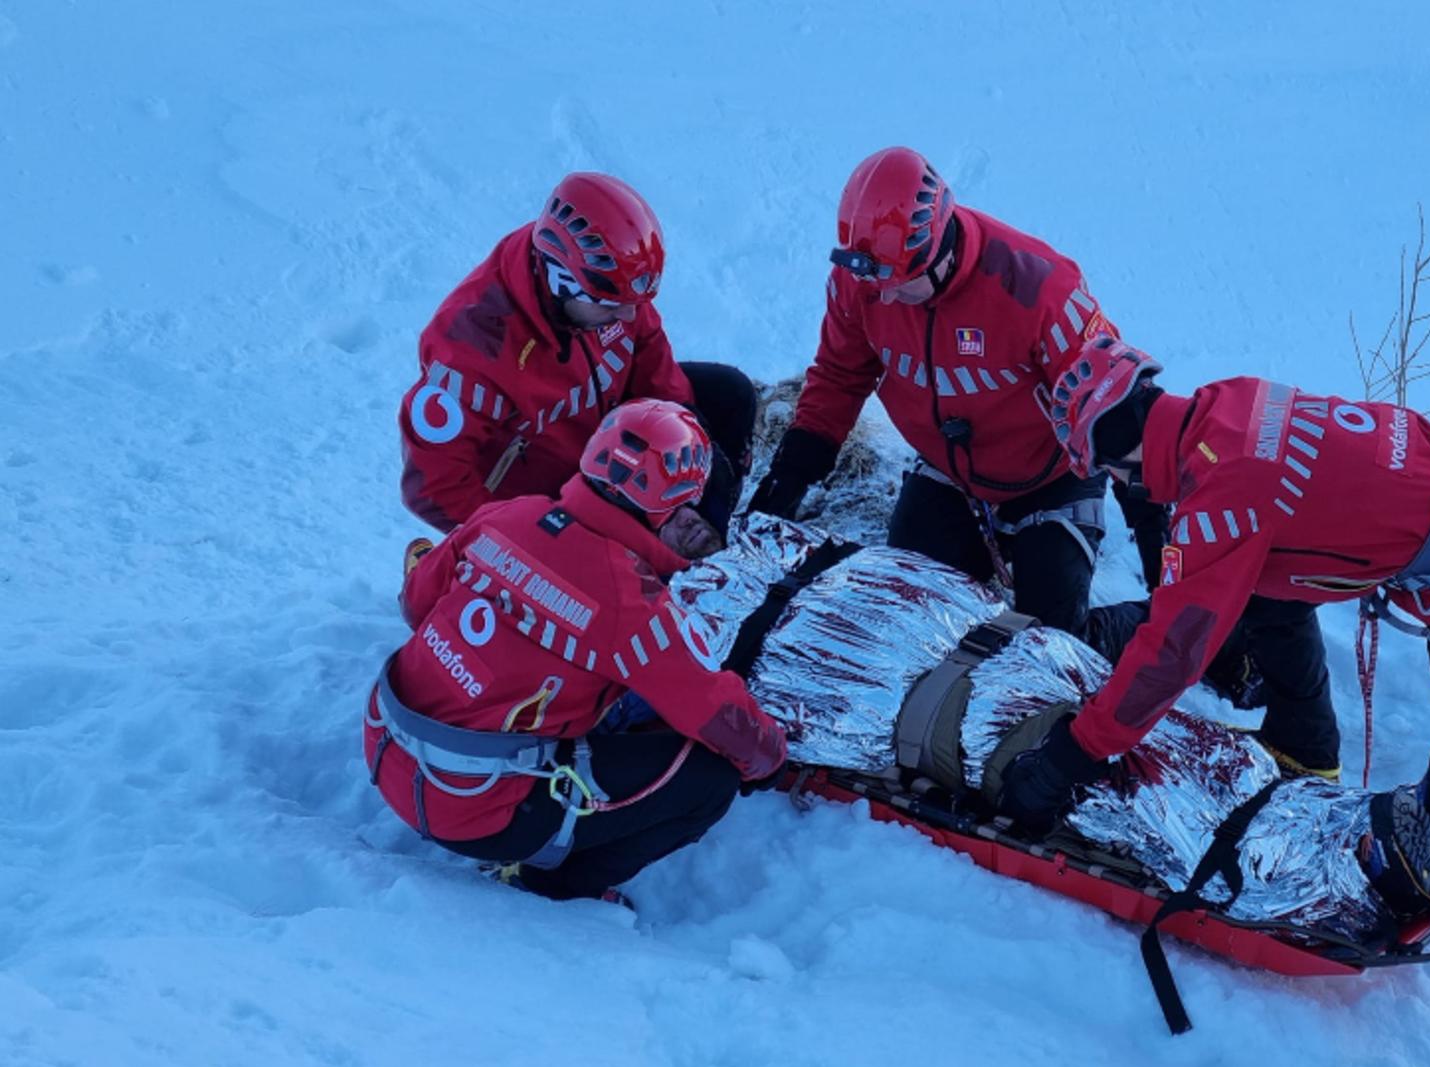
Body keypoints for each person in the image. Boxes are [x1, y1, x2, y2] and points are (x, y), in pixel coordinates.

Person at [997, 336, 1430, 971]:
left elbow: (1170, 655)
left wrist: (1073, 753)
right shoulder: (1228, 402)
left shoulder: (1218, 505)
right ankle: (1307, 748)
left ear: (1121, 453)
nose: (1113, 485)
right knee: (1261, 588)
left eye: (1107, 472)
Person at [671, 512, 1430, 937]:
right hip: (955, 711)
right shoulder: (680, 629)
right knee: (1132, 790)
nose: (689, 524)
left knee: (1188, 743)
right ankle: (1363, 870)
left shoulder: (781, 543)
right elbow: (761, 727)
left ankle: (1384, 825)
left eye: (687, 498)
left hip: (1008, 649)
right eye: (667, 519)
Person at [365, 401, 788, 904]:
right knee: (707, 781)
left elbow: (417, 605)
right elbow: (712, 709)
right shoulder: (630, 600)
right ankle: (549, 884)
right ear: (673, 503)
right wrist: (769, 757)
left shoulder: (509, 514)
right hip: (472, 803)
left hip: (386, 742)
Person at [746, 146, 1167, 632]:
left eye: (901, 283)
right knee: (905, 616)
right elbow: (840, 375)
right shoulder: (862, 279)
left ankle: (1147, 625)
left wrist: (1155, 534)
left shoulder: (1037, 288)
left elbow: (1115, 408)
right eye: (874, 281)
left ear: (939, 250)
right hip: (949, 472)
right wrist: (788, 479)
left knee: (1048, 642)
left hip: (1052, 477)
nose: (884, 296)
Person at [398, 171, 758, 554]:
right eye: (610, 305)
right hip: (553, 501)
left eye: (632, 304)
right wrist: (524, 540)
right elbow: (433, 486)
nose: (625, 316)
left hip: (613, 446)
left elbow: (648, 348)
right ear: (560, 281)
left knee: (727, 397)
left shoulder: (607, 283)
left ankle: (710, 553)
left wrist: (686, 432)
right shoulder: (472, 350)